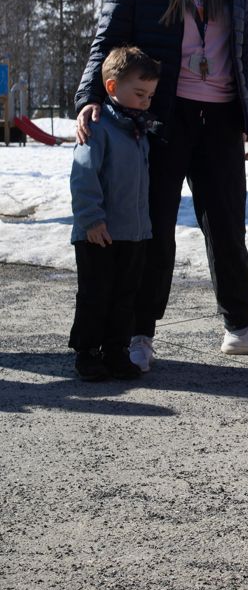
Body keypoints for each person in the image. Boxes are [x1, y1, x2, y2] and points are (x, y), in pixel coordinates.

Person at [75, 0, 248, 370]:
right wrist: (89, 99)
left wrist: (245, 115)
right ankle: (140, 333)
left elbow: (241, 51)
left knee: (228, 225)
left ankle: (238, 326)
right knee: (154, 229)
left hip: (219, 119)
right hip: (160, 120)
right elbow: (105, 42)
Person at [69, 47, 161, 381]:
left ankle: (116, 350)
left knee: (125, 295)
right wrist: (91, 219)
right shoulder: (97, 127)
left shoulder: (138, 130)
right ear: (111, 87)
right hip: (100, 232)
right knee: (96, 294)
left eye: (150, 96)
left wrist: (144, 226)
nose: (145, 102)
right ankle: (88, 352)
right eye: (139, 94)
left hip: (133, 232)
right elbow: (83, 176)